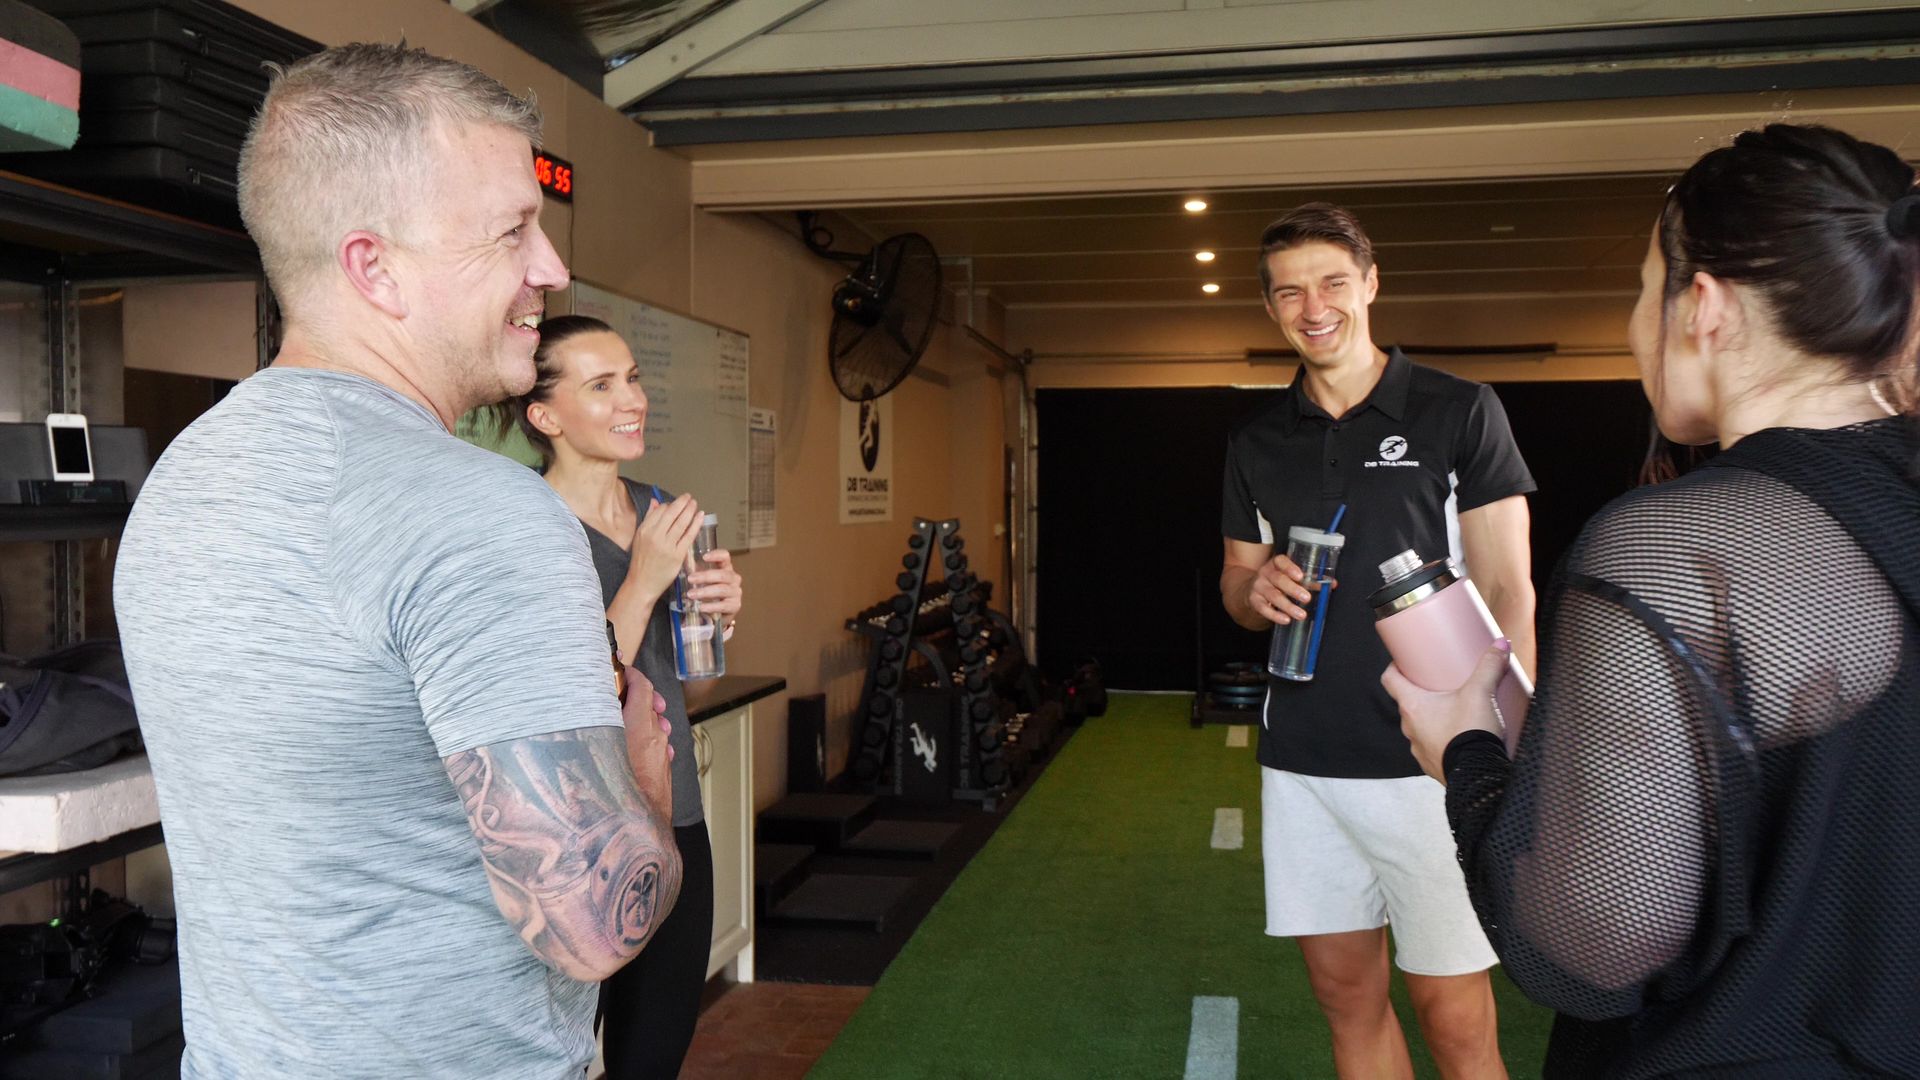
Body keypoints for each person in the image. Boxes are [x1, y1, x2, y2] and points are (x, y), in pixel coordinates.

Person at [113, 45, 682, 1079]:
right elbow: (594, 923)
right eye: (514, 230)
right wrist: (643, 785)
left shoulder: (181, 480)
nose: (550, 269)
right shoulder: (480, 511)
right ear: (374, 266)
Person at [1389, 123, 1920, 1078]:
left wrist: (1465, 753)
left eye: (1643, 288)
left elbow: (1588, 952)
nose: (1639, 321)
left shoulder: (1685, 544)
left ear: (1703, 305)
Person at [1219, 202, 1536, 1078]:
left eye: (1331, 282)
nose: (1312, 306)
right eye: (1289, 292)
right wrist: (1258, 587)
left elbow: (1509, 586)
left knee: (1455, 1017)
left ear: (1369, 284)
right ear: (1271, 306)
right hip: (1303, 764)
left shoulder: (1459, 412)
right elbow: (1236, 584)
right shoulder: (1256, 440)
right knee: (1347, 1003)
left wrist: (1509, 739)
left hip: (1429, 766)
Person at [497, 315, 744, 1079]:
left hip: (671, 818)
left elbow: (686, 681)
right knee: (559, 1060)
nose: (630, 397)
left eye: (632, 377)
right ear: (545, 417)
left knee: (653, 1056)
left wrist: (720, 614)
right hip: (574, 839)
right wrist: (643, 579)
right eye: (600, 385)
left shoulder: (660, 506)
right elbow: (566, 696)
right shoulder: (525, 527)